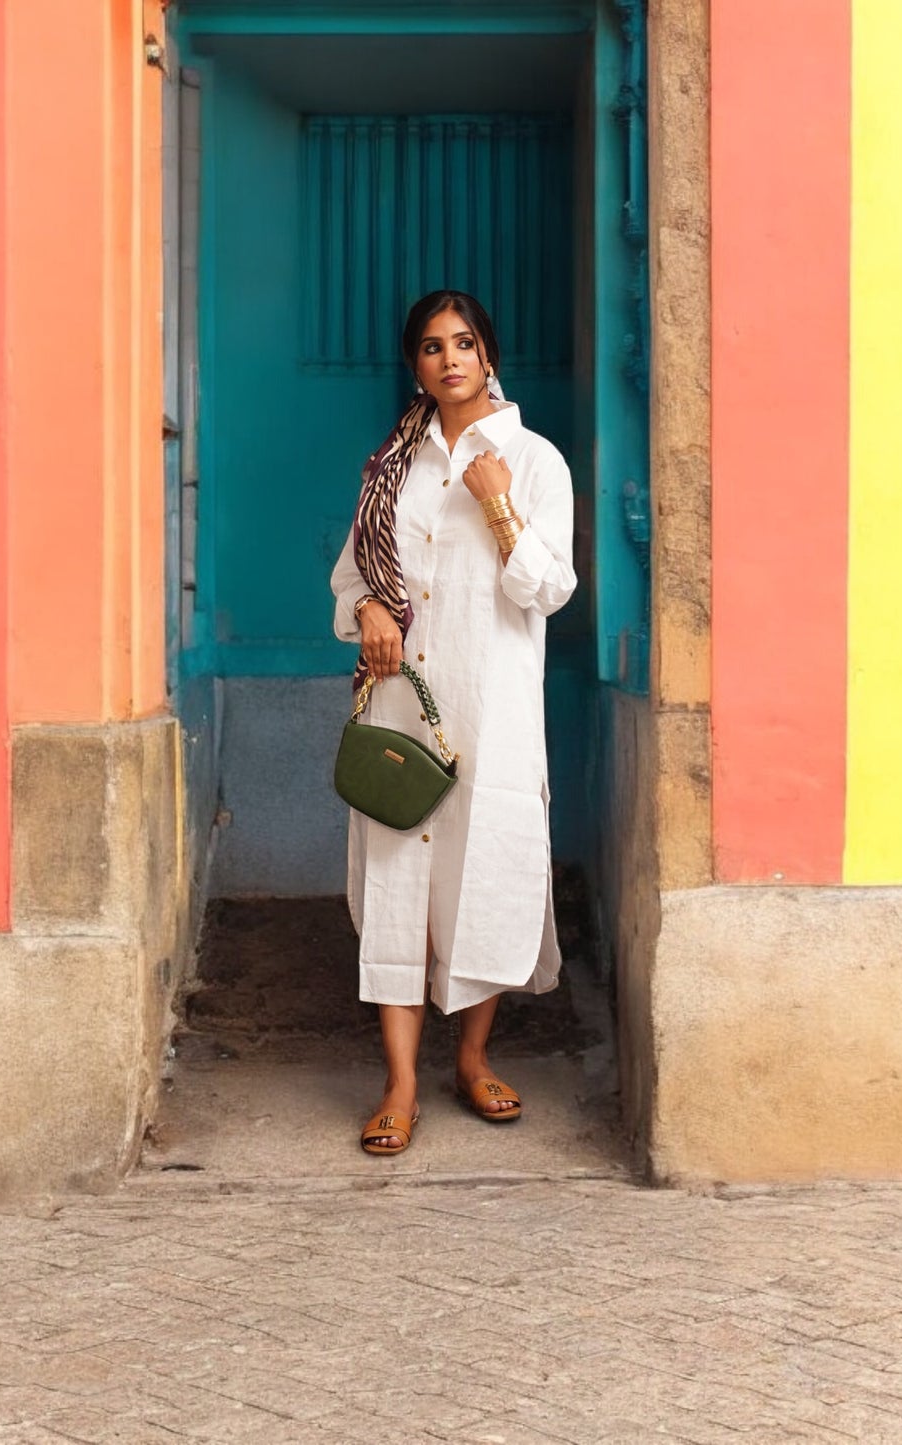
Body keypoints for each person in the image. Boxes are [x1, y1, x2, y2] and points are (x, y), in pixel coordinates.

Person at [330, 290, 577, 1155]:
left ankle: (471, 1058)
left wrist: (501, 505)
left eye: (464, 342)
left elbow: (548, 590)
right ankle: (399, 1084)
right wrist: (367, 610)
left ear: (487, 353)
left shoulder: (534, 460)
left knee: (483, 874)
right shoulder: (391, 467)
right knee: (399, 879)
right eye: (432, 347)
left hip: (490, 705)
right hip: (403, 702)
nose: (449, 359)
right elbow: (352, 572)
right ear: (417, 367)